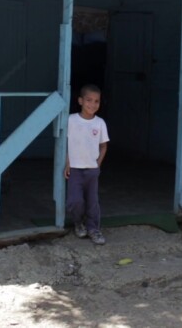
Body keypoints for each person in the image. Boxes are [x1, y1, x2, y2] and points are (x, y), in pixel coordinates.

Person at [64, 84, 110, 245]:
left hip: (92, 170)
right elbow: (66, 143)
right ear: (80, 101)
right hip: (75, 169)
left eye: (96, 101)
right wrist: (67, 163)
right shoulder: (71, 120)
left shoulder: (99, 123)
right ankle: (78, 223)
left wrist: (97, 165)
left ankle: (93, 229)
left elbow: (103, 145)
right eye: (89, 100)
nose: (93, 104)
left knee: (92, 202)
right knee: (75, 201)